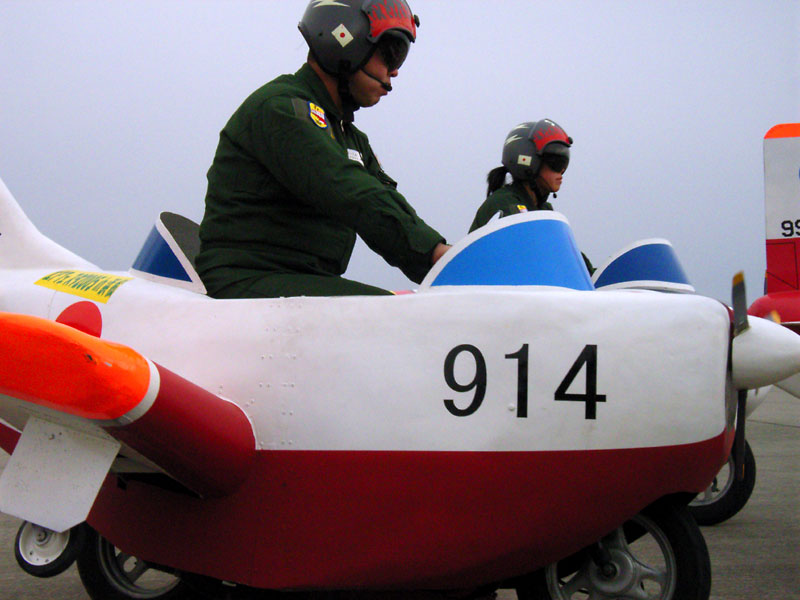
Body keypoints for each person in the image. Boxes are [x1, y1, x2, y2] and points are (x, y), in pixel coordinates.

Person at [196, 0, 449, 299]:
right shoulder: (282, 109)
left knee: (418, 308)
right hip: (245, 279)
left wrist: (447, 265)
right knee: (395, 316)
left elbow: (383, 202)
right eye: (390, 53)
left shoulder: (350, 138)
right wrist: (434, 253)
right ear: (346, 43)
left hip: (300, 280)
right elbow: (351, 192)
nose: (394, 71)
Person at [469, 119, 594, 273]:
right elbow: (532, 256)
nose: (561, 170)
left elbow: (570, 258)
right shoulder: (504, 204)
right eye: (555, 162)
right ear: (528, 161)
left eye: (564, 163)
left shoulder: (544, 210)